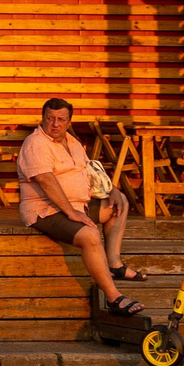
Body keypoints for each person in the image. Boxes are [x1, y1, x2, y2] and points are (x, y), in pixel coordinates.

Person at [17, 98, 144, 319]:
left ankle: (113, 262)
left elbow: (90, 171)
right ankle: (114, 297)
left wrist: (111, 189)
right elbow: (46, 180)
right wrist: (71, 212)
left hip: (77, 205)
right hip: (45, 210)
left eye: (61, 120)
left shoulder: (73, 143)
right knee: (90, 235)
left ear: (69, 122)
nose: (55, 124)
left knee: (119, 203)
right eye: (50, 118)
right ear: (43, 118)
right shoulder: (36, 143)